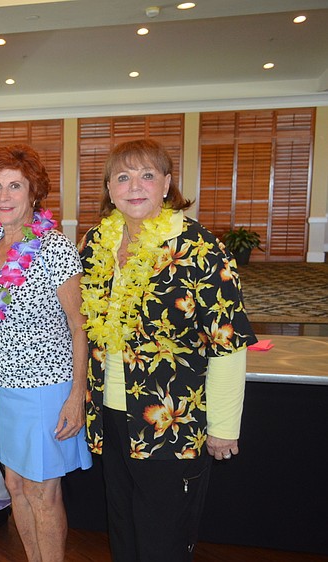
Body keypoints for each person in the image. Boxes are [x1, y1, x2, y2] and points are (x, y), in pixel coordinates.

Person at [78, 139, 257, 562]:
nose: (134, 186)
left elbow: (227, 342)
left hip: (173, 419)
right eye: (122, 177)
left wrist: (224, 426)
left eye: (146, 175)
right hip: (112, 412)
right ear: (109, 188)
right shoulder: (96, 243)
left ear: (167, 184)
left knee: (163, 535)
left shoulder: (200, 247)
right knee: (121, 523)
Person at [0, 145, 91, 562]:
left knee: (42, 493)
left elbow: (79, 326)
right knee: (15, 486)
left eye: (15, 186)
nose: (4, 196)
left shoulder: (55, 248)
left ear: (34, 193)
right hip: (4, 387)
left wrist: (77, 395)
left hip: (46, 389)